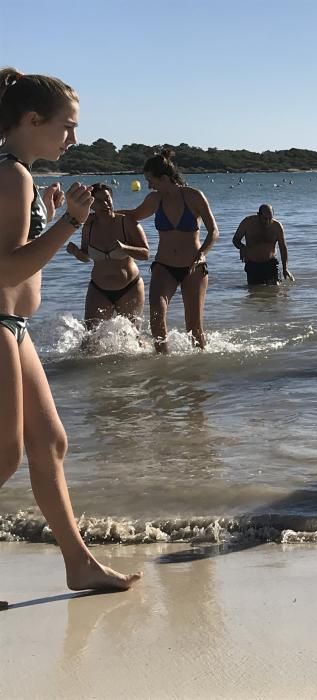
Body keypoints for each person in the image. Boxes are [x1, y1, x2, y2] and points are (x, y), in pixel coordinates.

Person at [0, 67, 141, 608]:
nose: (74, 138)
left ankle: (79, 563)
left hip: (14, 328)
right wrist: (68, 225)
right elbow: (7, 270)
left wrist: (50, 217)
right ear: (33, 120)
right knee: (4, 457)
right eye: (68, 127)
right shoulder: (12, 174)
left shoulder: (17, 175)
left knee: (50, 443)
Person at [122, 149, 219, 352]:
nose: (149, 185)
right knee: (156, 318)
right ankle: (163, 369)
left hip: (193, 268)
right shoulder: (155, 199)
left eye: (151, 180)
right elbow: (133, 215)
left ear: (164, 178)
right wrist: (103, 212)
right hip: (164, 267)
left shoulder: (193, 197)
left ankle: (198, 374)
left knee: (194, 328)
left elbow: (213, 231)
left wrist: (202, 253)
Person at [66, 183, 149, 327]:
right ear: (91, 204)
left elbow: (145, 254)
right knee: (90, 340)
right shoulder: (89, 226)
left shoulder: (126, 222)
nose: (105, 203)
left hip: (129, 287)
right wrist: (76, 252)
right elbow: (86, 257)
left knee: (134, 337)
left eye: (107, 199)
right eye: (98, 201)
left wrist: (125, 247)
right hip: (98, 289)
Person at [231, 204, 294, 285]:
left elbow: (283, 247)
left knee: (276, 291)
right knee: (254, 293)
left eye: (270, 218)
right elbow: (235, 239)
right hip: (252, 264)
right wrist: (242, 248)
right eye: (265, 218)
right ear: (259, 215)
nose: (267, 221)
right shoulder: (248, 223)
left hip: (271, 263)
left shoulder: (277, 226)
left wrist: (285, 268)